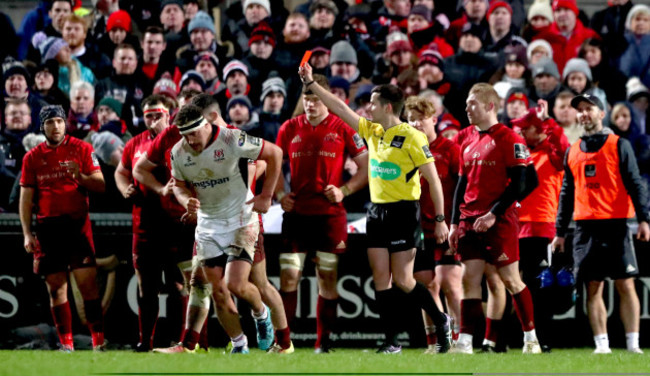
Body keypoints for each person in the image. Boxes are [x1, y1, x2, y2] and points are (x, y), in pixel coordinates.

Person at [298, 63, 452, 354]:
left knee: (405, 281)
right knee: (381, 278)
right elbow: (340, 109)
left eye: (373, 104)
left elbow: (433, 180)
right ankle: (392, 341)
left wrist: (442, 220)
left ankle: (441, 319)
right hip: (377, 212)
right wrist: (312, 84)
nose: (368, 108)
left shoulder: (412, 137)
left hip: (405, 212)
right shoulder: (373, 131)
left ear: (388, 107)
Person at [169, 104, 283, 353]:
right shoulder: (178, 152)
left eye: (194, 133)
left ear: (207, 125)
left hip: (242, 220)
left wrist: (266, 194)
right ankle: (239, 343)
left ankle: (261, 315)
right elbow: (177, 185)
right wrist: (184, 200)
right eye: (184, 135)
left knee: (236, 284)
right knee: (217, 291)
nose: (190, 140)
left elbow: (274, 153)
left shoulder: (232, 138)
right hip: (209, 226)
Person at [274, 74, 368, 353]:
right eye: (307, 99)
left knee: (326, 277)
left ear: (327, 100)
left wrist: (345, 191)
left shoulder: (343, 127)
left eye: (316, 99)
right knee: (290, 277)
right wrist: (280, 194)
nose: (311, 104)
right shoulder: (289, 128)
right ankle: (284, 343)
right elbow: (274, 164)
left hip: (330, 215)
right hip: (297, 215)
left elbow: (366, 166)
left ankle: (323, 344)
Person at [552, 94, 650, 354]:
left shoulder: (620, 144)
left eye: (589, 109)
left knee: (626, 284)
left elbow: (635, 183)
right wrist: (559, 232)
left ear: (602, 113)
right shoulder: (572, 150)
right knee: (592, 287)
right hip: (585, 227)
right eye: (580, 110)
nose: (584, 114)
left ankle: (632, 344)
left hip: (617, 223)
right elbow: (566, 193)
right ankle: (602, 346)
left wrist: (644, 219)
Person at [449, 83, 542, 354]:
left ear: (490, 106)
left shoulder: (509, 138)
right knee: (469, 279)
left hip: (498, 220)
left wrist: (494, 213)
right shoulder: (466, 138)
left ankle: (530, 338)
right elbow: (461, 184)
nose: (467, 109)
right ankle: (465, 342)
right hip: (469, 220)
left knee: (511, 280)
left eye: (472, 104)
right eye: (466, 104)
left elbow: (524, 182)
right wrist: (455, 222)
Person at [19, 105, 106, 352]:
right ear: (42, 126)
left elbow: (100, 185)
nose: (55, 126)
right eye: (49, 122)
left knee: (88, 287)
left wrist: (80, 176)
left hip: (78, 227)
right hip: (47, 229)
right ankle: (66, 345)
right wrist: (27, 233)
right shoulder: (32, 157)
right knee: (57, 290)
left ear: (65, 123)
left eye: (58, 121)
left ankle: (98, 342)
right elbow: (25, 199)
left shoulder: (82, 149)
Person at [114, 95, 186, 352]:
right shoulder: (134, 144)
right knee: (147, 286)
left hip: (175, 223)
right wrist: (124, 189)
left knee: (179, 285)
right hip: (143, 224)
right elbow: (121, 171)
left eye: (158, 115)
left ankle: (181, 341)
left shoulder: (178, 140)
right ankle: (146, 341)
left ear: (170, 115)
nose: (153, 120)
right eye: (148, 116)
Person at [403, 96, 462, 353]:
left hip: (446, 227)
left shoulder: (450, 149)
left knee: (450, 283)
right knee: (427, 286)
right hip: (417, 230)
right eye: (411, 119)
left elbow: (463, 188)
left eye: (421, 119)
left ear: (434, 120)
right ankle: (436, 340)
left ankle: (462, 339)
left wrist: (453, 223)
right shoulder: (405, 151)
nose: (416, 124)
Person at [511, 101, 570, 353]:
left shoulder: (553, 153)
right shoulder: (520, 154)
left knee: (540, 286)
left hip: (541, 226)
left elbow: (565, 150)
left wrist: (549, 122)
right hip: (516, 226)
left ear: (540, 130)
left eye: (526, 129)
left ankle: (541, 337)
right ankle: (523, 336)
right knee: (518, 284)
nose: (521, 133)